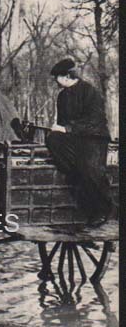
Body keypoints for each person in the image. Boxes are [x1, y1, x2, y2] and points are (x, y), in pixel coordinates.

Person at [45, 58, 114, 228]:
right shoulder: (62, 97)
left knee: (89, 169)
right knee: (53, 139)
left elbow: (95, 121)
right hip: (75, 140)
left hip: (94, 139)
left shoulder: (89, 91)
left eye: (57, 77)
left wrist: (67, 129)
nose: (55, 81)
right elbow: (61, 123)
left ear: (67, 76)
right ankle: (74, 171)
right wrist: (59, 130)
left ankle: (103, 209)